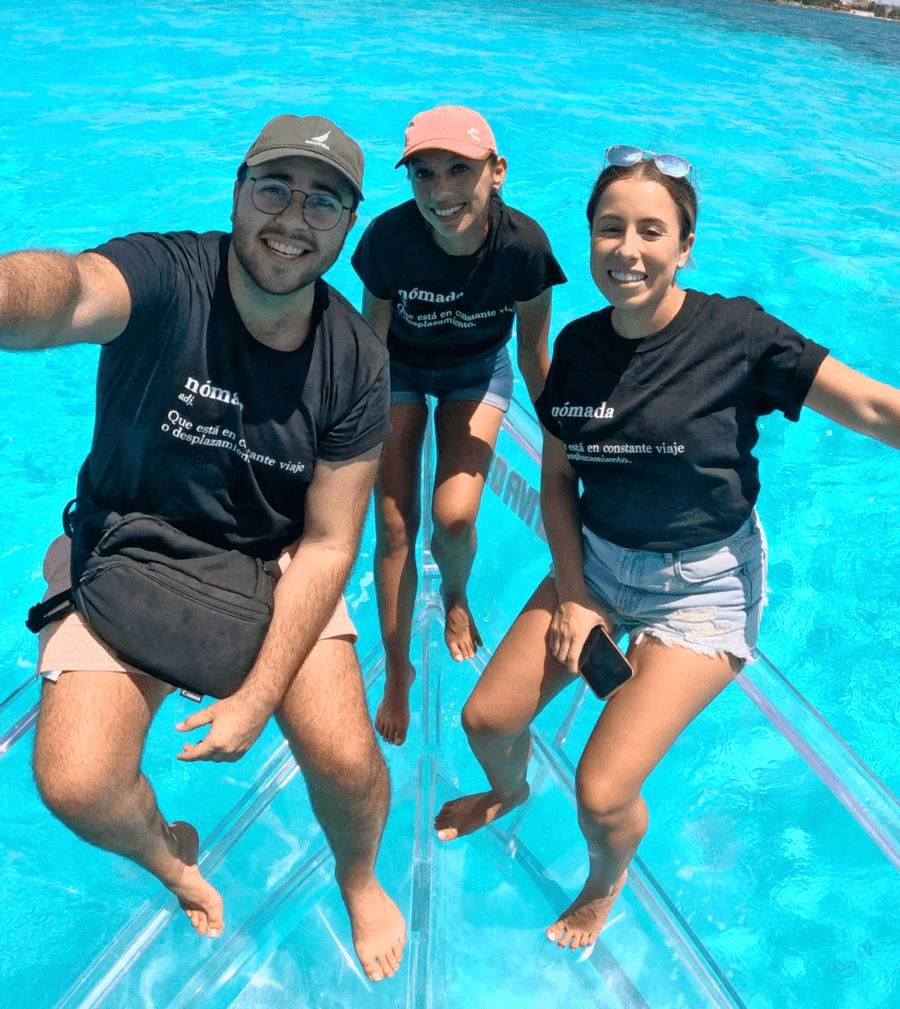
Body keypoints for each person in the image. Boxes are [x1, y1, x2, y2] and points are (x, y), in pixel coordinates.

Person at [434, 144, 900, 951]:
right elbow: (555, 482)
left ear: (686, 245)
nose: (629, 248)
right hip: (600, 567)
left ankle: (602, 885)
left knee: (603, 792)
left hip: (701, 590)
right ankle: (507, 794)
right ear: (591, 241)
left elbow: (870, 405)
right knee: (485, 719)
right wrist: (576, 594)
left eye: (653, 230)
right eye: (610, 228)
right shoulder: (578, 348)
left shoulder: (738, 335)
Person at [4, 114, 406, 984]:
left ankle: (359, 873)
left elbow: (333, 539)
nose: (293, 218)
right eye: (274, 188)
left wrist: (258, 697)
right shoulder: (166, 274)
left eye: (323, 201)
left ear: (349, 224)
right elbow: (68, 291)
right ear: (236, 190)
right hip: (125, 542)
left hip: (272, 564)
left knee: (346, 760)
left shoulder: (356, 360)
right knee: (77, 781)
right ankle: (172, 859)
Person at [351, 104, 566, 746]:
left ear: (496, 171)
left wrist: (567, 446)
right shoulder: (388, 240)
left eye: (459, 171)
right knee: (392, 524)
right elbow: (371, 339)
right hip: (399, 372)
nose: (441, 192)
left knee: (455, 519)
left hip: (477, 372)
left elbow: (532, 352)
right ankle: (397, 672)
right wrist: (348, 427)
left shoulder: (524, 247)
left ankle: (455, 594)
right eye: (424, 174)